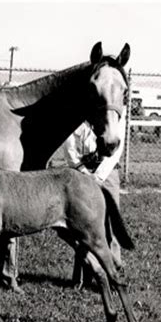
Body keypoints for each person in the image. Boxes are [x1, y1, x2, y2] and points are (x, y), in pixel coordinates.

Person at [62, 107, 127, 287]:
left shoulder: (115, 111)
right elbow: (70, 148)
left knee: (109, 226)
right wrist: (83, 173)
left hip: (107, 172)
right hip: (82, 172)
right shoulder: (77, 112)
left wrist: (98, 177)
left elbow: (117, 148)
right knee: (82, 223)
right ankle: (82, 276)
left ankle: (113, 275)